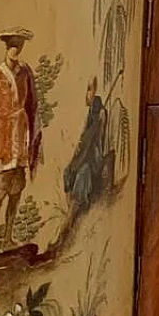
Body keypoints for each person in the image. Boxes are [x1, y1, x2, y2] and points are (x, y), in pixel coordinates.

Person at [0, 29, 41, 255]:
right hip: (3, 139)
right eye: (13, 44)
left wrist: (34, 139)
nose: (16, 48)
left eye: (19, 44)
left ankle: (7, 238)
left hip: (20, 138)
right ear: (6, 46)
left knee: (16, 191)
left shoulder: (25, 72)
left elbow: (32, 104)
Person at [63, 76, 110, 217]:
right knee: (68, 171)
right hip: (84, 153)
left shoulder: (100, 113)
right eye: (87, 89)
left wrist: (83, 145)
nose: (87, 94)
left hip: (93, 157)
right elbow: (83, 137)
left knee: (83, 173)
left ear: (95, 91)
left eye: (90, 89)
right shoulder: (90, 113)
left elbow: (92, 138)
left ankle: (75, 212)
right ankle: (70, 211)